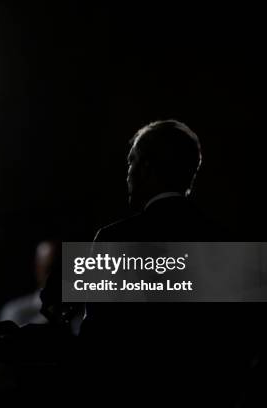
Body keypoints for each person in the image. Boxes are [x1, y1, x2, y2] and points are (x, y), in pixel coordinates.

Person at [80, 120, 257, 407]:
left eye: (132, 162)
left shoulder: (114, 239)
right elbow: (240, 339)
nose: (128, 172)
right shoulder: (226, 240)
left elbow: (97, 340)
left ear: (147, 169)